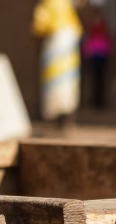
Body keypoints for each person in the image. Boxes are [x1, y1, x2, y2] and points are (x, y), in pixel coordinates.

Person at [32, 0, 83, 128]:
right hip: (69, 44)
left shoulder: (47, 4)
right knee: (68, 83)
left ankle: (56, 115)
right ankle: (67, 115)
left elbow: (39, 26)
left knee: (54, 83)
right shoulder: (66, 4)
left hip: (55, 42)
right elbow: (77, 27)